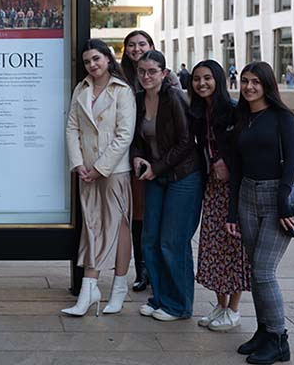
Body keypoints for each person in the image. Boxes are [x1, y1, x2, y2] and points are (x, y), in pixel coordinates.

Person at [226, 61, 294, 364]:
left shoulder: (283, 118)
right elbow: (236, 168)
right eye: (244, 81)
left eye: (256, 81)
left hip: (276, 197)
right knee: (255, 272)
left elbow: (292, 163)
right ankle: (264, 331)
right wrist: (232, 211)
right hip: (246, 195)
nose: (249, 87)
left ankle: (279, 339)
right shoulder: (243, 118)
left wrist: (284, 202)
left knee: (264, 271)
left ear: (267, 84)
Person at [61, 39, 135, 316]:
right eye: (87, 62)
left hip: (113, 170)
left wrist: (100, 167)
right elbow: (71, 127)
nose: (92, 65)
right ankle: (89, 289)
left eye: (96, 59)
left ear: (108, 58)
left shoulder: (122, 90)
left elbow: (124, 134)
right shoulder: (81, 89)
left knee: (119, 227)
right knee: (91, 226)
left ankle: (118, 287)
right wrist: (79, 163)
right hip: (86, 171)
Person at [130, 50, 204, 322]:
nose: (146, 76)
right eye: (141, 71)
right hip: (155, 176)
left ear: (163, 73)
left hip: (183, 177)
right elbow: (136, 137)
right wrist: (137, 156)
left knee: (172, 242)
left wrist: (156, 168)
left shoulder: (173, 98)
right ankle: (159, 298)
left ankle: (179, 305)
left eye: (152, 71)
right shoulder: (138, 99)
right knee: (150, 241)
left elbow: (187, 143)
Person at [189, 60, 250, 331]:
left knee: (234, 246)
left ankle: (234, 309)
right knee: (212, 245)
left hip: (234, 188)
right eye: (197, 79)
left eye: (207, 78)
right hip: (212, 189)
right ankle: (221, 305)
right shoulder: (200, 112)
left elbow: (244, 151)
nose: (202, 83)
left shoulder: (234, 110)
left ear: (219, 80)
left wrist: (225, 161)